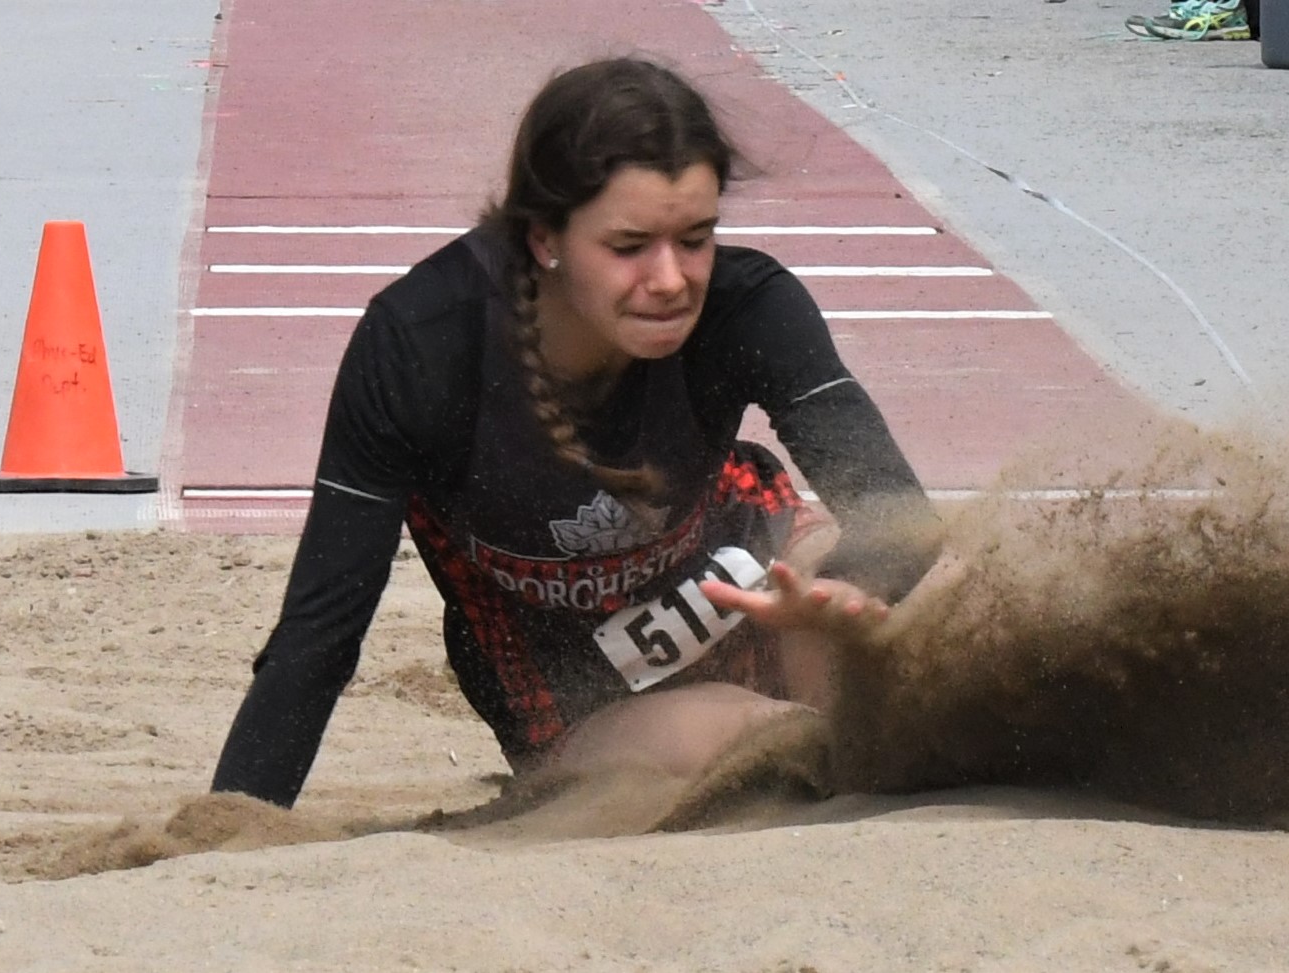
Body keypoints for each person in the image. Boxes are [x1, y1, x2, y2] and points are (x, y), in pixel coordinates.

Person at [209, 57, 943, 808]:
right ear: (542, 239)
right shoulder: (419, 347)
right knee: (778, 741)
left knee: (915, 627)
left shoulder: (748, 302)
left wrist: (852, 586)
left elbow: (896, 511)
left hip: (757, 578)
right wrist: (227, 827)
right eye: (629, 247)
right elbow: (320, 634)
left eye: (694, 237)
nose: (670, 279)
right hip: (586, 689)